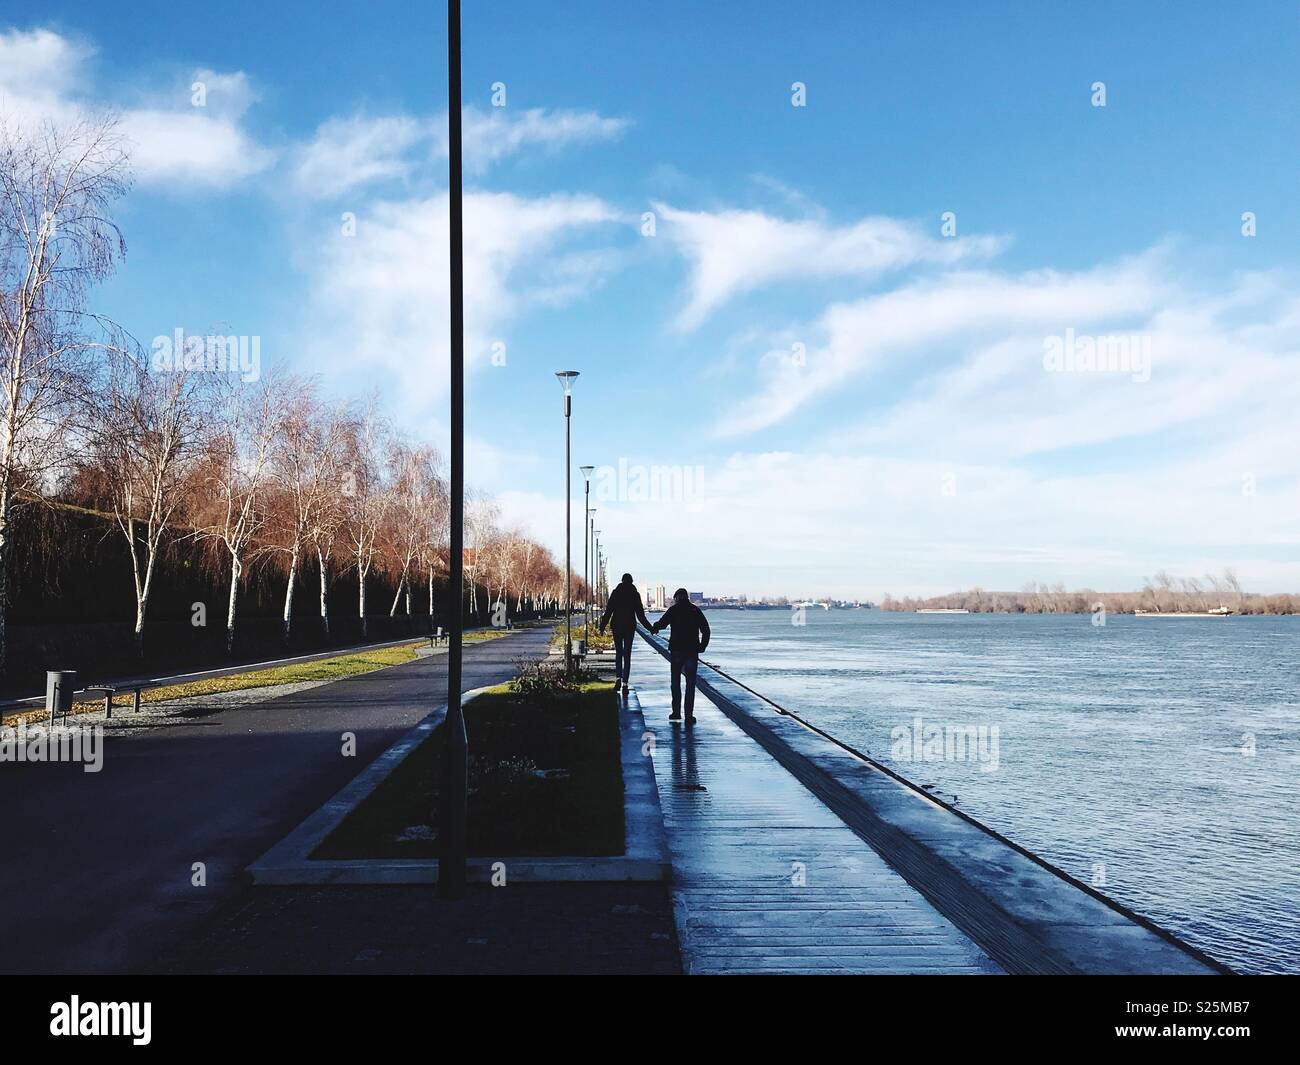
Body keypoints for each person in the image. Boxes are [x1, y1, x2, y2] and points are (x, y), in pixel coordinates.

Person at [650, 588, 710, 724]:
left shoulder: (674, 610)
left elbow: (662, 624)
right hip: (691, 650)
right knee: (690, 683)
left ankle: (676, 712)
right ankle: (689, 715)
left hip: (677, 649)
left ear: (677, 597)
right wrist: (702, 646)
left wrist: (654, 628)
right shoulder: (695, 610)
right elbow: (706, 629)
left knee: (675, 681)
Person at [599, 573, 651, 695]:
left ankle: (618, 678)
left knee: (619, 653)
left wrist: (602, 626)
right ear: (631, 581)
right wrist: (651, 628)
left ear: (622, 581)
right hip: (629, 627)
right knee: (627, 655)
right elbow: (640, 615)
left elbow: (609, 611)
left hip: (616, 626)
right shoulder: (635, 594)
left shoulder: (615, 592)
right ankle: (625, 684)